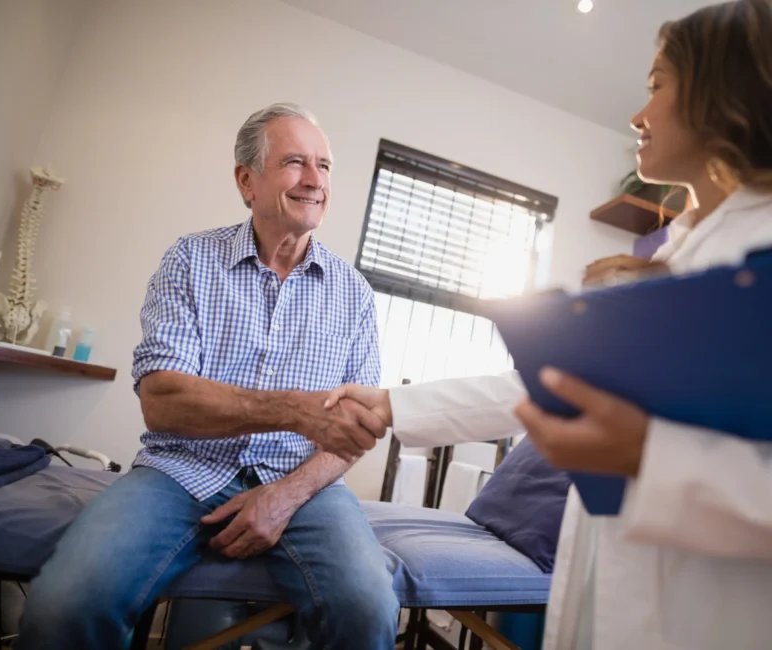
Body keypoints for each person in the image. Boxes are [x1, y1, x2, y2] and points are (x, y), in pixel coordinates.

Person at [324, 1, 772, 648]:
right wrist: (393, 403)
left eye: (655, 86)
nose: (636, 115)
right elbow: (547, 385)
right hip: (612, 580)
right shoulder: (675, 251)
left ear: (720, 93)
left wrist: (650, 457)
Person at [16, 103, 397, 650]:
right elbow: (164, 401)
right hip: (179, 471)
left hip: (304, 484)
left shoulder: (354, 294)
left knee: (368, 610)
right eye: (295, 162)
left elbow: (353, 432)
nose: (315, 180)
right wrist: (293, 409)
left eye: (325, 165)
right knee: (64, 607)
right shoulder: (191, 260)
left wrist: (284, 496)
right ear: (248, 180)